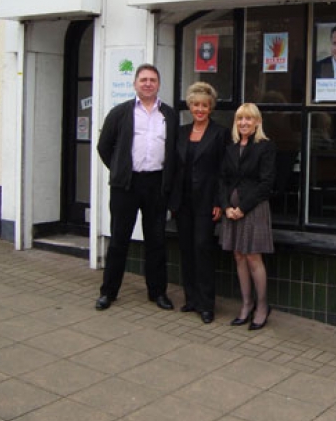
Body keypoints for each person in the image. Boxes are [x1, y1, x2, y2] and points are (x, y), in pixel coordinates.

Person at [95, 64, 178, 311]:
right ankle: (108, 292)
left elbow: (173, 151)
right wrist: (120, 170)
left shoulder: (169, 115)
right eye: (143, 79)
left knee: (156, 240)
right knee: (119, 239)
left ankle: (158, 292)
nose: (148, 83)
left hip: (156, 184)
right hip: (126, 186)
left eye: (153, 79)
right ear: (135, 84)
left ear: (159, 84)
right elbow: (103, 147)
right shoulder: (120, 112)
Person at [168, 82, 229, 324]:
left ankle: (206, 304)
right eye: (195, 105)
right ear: (190, 106)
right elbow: (174, 168)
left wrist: (219, 202)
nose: (200, 109)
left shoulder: (219, 134)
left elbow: (223, 171)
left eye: (204, 105)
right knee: (186, 249)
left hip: (206, 201)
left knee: (202, 249)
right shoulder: (181, 132)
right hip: (183, 202)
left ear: (211, 107)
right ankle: (191, 299)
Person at [219, 103, 276, 331]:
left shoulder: (266, 147)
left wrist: (242, 207)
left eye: (249, 119)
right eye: (240, 119)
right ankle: (246, 304)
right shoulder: (230, 148)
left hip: (253, 208)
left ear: (257, 122)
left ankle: (262, 307)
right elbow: (222, 179)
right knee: (239, 256)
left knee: (253, 258)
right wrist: (225, 206)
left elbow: (266, 183)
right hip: (231, 210)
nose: (244, 123)